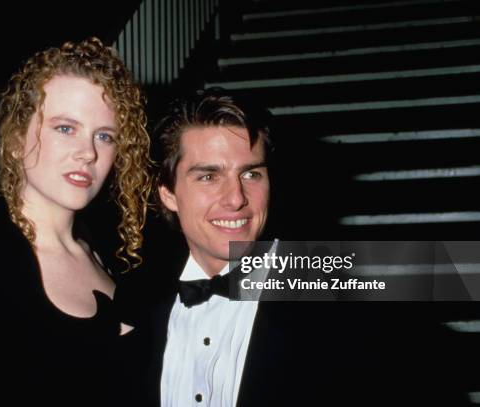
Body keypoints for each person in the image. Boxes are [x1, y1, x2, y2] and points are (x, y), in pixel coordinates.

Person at [122, 88, 467, 406]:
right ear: (167, 193)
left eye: (251, 174)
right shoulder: (133, 304)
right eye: (208, 176)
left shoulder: (350, 307)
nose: (236, 198)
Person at [0, 37, 151, 405]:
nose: (88, 152)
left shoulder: (106, 253)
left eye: (105, 136)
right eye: (65, 128)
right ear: (16, 140)